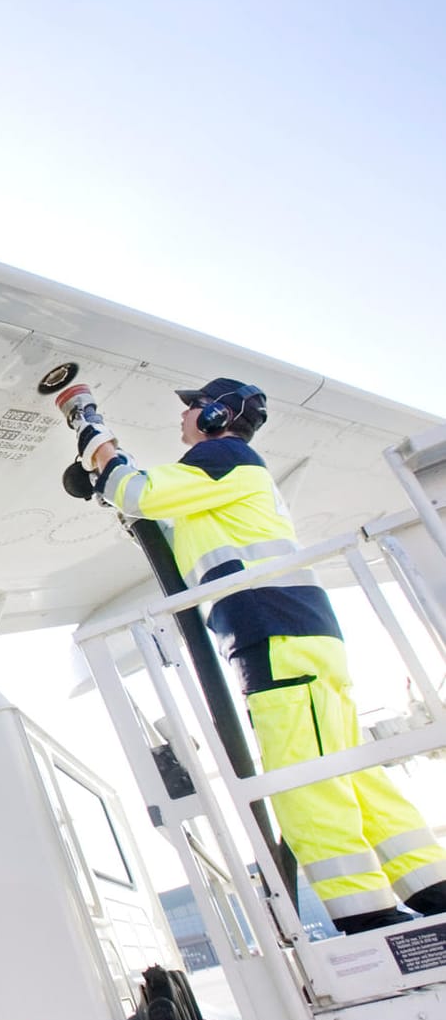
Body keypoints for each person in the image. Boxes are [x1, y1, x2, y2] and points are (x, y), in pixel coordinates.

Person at [77, 376, 446, 935]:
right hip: (296, 634)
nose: (183, 419)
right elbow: (155, 518)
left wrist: (91, 430)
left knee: (304, 780)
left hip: (275, 637)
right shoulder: (225, 476)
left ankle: (364, 913)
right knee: (351, 772)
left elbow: (139, 492)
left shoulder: (222, 457)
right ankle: (430, 885)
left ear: (217, 415)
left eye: (192, 408)